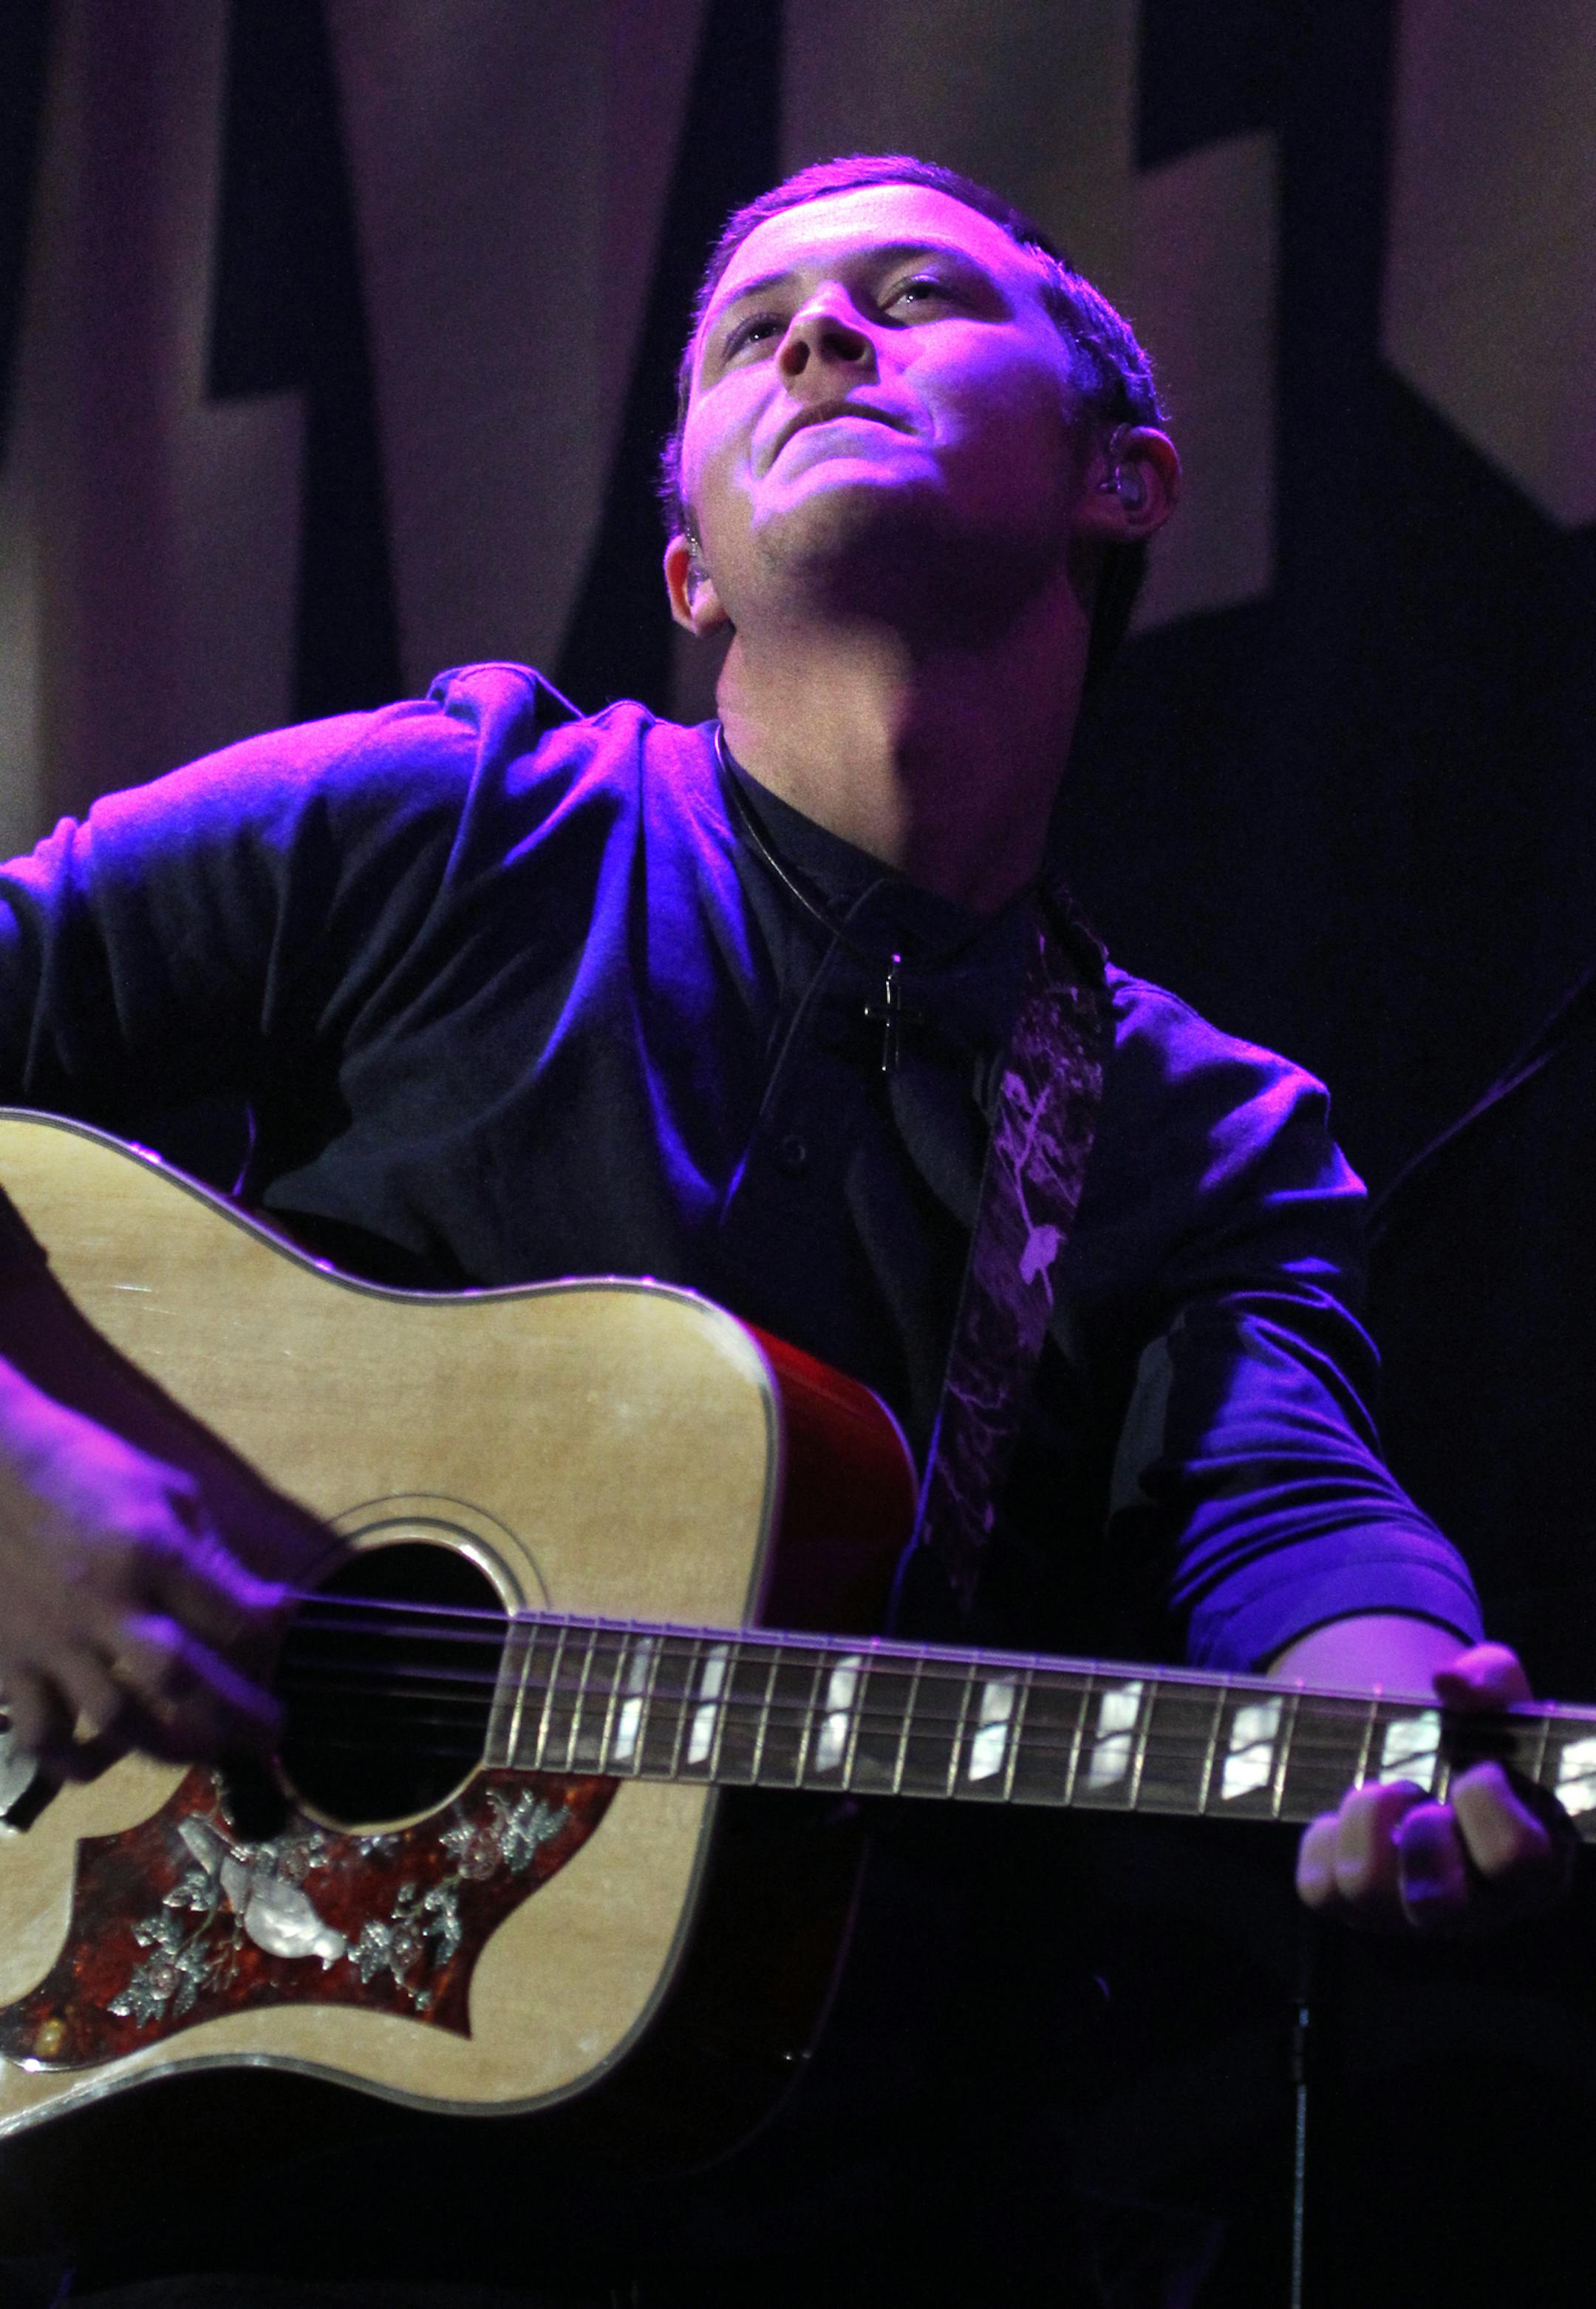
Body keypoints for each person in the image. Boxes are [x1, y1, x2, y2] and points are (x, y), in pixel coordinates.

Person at [0, 155, 1563, 2305]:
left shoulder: (1203, 1132)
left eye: (914, 296)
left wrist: (1407, 1738)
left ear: (1128, 476)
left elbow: (1283, 1508)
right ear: (689, 568)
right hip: (230, 2209)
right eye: (758, 330)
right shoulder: (452, 816)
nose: (824, 336)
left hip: (833, 2221)